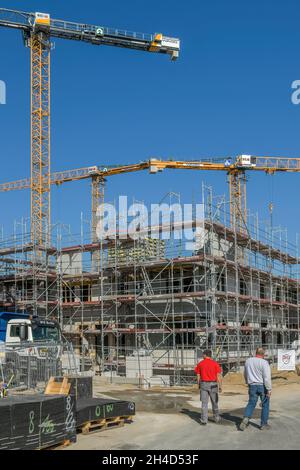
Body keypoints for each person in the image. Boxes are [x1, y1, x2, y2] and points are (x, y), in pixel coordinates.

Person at [240, 347, 272, 431]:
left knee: (251, 403)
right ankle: (263, 424)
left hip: (252, 385)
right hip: (262, 386)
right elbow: (267, 377)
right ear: (263, 354)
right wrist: (269, 389)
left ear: (256, 353)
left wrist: (248, 382)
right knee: (265, 405)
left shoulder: (248, 361)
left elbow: (245, 373)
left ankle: (246, 418)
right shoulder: (264, 362)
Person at [194, 349, 223, 425]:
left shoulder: (200, 364)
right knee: (214, 402)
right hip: (213, 384)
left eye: (203, 354)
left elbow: (198, 375)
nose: (202, 356)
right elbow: (218, 376)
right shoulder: (215, 364)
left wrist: (198, 384)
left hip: (204, 384)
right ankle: (216, 417)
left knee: (204, 403)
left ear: (205, 355)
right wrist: (220, 386)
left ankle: (204, 420)